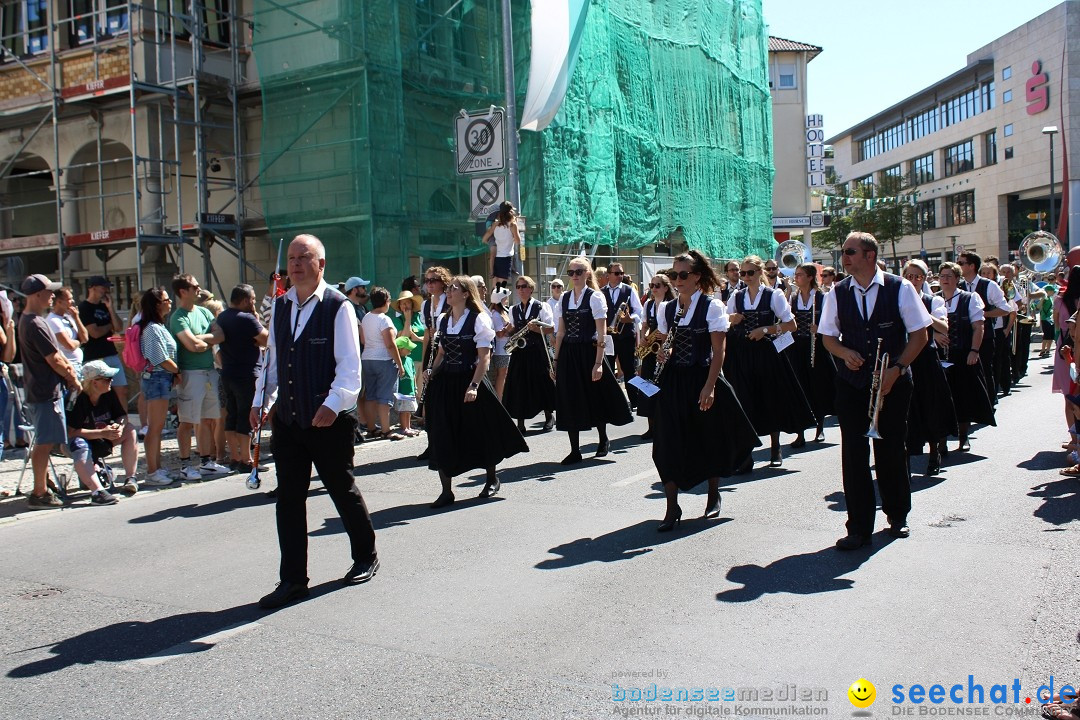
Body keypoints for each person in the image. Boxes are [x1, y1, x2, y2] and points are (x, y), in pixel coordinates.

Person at [252, 233, 379, 609]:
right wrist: (262, 399)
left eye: (303, 257)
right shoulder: (279, 307)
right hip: (289, 421)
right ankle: (293, 579)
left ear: (320, 264)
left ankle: (365, 554)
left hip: (328, 420)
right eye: (291, 257)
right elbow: (272, 364)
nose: (294, 264)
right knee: (288, 500)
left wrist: (334, 403)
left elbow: (349, 369)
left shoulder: (337, 307)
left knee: (342, 489)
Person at [819, 232, 932, 550]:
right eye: (843, 252)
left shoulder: (900, 287)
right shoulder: (837, 292)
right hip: (853, 385)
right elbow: (828, 337)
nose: (845, 257)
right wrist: (844, 354)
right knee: (854, 455)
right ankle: (858, 527)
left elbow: (919, 335)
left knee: (891, 450)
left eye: (850, 251)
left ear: (869, 255)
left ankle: (897, 515)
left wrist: (896, 370)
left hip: (892, 381)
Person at [651, 251, 759, 531]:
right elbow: (668, 343)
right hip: (674, 379)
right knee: (666, 441)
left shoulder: (712, 307)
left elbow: (719, 350)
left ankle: (713, 493)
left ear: (697, 276)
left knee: (708, 437)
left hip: (702, 376)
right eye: (674, 275)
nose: (677, 280)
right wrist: (664, 352)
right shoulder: (668, 308)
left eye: (683, 275)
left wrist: (710, 387)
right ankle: (671, 506)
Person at [424, 275, 528, 507]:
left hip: (471, 380)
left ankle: (491, 478)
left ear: (465, 294)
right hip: (446, 382)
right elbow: (441, 353)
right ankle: (446, 491)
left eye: (454, 288)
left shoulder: (479, 319)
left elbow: (485, 358)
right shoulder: (443, 319)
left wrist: (473, 386)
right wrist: (431, 371)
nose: (448, 291)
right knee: (442, 432)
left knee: (481, 431)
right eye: (448, 288)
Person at [725, 255, 815, 468]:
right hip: (742, 354)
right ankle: (746, 455)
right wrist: (732, 319)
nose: (745, 277)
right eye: (742, 273)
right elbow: (724, 321)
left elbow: (791, 325)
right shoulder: (736, 296)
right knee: (744, 402)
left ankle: (775, 446)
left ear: (759, 273)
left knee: (769, 398)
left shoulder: (773, 295)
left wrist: (764, 329)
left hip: (766, 352)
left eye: (750, 273)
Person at [552, 257, 633, 464]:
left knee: (594, 395)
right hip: (569, 352)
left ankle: (603, 438)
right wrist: (556, 359)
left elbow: (601, 333)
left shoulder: (595, 297)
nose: (575, 276)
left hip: (589, 352)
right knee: (570, 399)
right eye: (571, 273)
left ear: (588, 273)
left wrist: (598, 363)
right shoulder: (564, 298)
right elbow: (560, 332)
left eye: (579, 272)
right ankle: (574, 449)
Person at [17, 275, 81, 509]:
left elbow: (56, 354)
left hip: (42, 389)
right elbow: (54, 358)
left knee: (46, 441)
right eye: (48, 291)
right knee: (44, 443)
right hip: (45, 390)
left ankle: (43, 484)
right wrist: (72, 377)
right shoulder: (34, 323)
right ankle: (39, 492)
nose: (52, 294)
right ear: (36, 295)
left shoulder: (32, 320)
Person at [169, 274, 229, 481]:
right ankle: (185, 464)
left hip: (208, 372)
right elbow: (191, 346)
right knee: (187, 421)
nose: (199, 289)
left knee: (206, 418)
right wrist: (205, 341)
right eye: (194, 286)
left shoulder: (204, 312)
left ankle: (206, 462)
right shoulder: (178, 317)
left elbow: (219, 335)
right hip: (190, 374)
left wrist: (201, 339)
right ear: (183, 291)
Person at [902, 260, 957, 475]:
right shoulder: (897, 299)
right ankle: (905, 457)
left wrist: (920, 309)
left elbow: (943, 327)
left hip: (925, 359)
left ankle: (935, 452)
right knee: (906, 410)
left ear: (924, 279)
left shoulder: (932, 300)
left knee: (930, 407)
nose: (913, 280)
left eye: (918, 276)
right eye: (909, 276)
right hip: (905, 358)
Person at [935, 262, 995, 456]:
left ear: (957, 279)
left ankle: (963, 436)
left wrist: (974, 351)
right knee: (941, 399)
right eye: (942, 276)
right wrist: (936, 336)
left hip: (963, 354)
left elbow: (978, 327)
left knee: (963, 397)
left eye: (949, 276)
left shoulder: (969, 298)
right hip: (939, 356)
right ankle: (941, 442)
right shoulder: (935, 300)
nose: (945, 279)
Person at [66, 359, 139, 499]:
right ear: (94, 382)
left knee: (129, 429)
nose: (111, 381)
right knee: (79, 443)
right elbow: (71, 432)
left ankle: (131, 478)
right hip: (81, 443)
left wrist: (119, 425)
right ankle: (97, 492)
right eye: (107, 379)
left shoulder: (108, 393)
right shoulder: (77, 399)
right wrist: (102, 432)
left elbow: (122, 415)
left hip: (102, 439)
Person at [215, 284, 268, 473]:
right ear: (245, 300)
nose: (254, 302)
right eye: (253, 299)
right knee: (247, 415)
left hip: (228, 372)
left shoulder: (223, 317)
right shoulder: (246, 319)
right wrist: (257, 320)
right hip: (247, 373)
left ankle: (235, 457)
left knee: (232, 414)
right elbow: (266, 340)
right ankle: (246, 459)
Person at [787, 263, 836, 447]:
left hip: (818, 347)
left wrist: (820, 329)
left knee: (818, 387)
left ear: (809, 277)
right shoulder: (792, 298)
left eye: (800, 275)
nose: (796, 278)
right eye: (796, 274)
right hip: (797, 347)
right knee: (800, 388)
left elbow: (834, 321)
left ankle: (820, 427)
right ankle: (800, 433)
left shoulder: (823, 297)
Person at [137, 287, 181, 487]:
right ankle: (152, 471)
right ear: (156, 304)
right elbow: (160, 358)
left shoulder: (158, 326)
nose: (170, 301)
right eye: (166, 299)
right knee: (154, 428)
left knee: (157, 427)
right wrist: (177, 371)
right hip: (156, 378)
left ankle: (157, 467)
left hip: (161, 379)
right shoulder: (152, 329)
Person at [503, 275, 555, 433]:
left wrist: (537, 329)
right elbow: (513, 329)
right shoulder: (513, 309)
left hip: (537, 351)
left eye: (524, 286)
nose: (521, 289)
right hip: (520, 352)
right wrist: (508, 331)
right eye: (518, 287)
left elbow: (551, 329)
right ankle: (520, 422)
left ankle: (549, 416)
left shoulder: (541, 307)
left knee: (542, 383)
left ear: (531, 289)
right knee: (519, 385)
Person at [958, 252, 1011, 401]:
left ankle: (989, 401)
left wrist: (982, 315)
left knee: (985, 369)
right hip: (964, 336)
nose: (958, 266)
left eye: (961, 263)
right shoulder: (959, 285)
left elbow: (1005, 309)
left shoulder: (989, 285)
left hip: (985, 336)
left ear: (972, 266)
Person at [360, 286, 406, 441]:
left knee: (370, 395)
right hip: (384, 360)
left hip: (367, 358)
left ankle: (372, 427)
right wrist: (399, 364)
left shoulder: (366, 317)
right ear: (386, 301)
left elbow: (363, 339)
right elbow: (390, 344)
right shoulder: (385, 319)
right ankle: (386, 430)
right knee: (384, 397)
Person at [78, 275, 128, 412]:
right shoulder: (84, 308)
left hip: (111, 353)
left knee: (121, 390)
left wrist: (110, 308)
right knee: (99, 393)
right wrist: (109, 326)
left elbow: (118, 327)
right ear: (92, 288)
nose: (106, 290)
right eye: (103, 287)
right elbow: (94, 332)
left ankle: (124, 421)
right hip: (95, 356)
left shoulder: (104, 306)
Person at [415, 266, 450, 461]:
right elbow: (428, 332)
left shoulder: (451, 301)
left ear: (443, 282)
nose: (429, 284)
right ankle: (431, 444)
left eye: (434, 280)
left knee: (444, 398)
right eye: (427, 280)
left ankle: (448, 442)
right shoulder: (426, 305)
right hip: (433, 350)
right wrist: (424, 357)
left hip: (449, 351)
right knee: (429, 398)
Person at [636, 273, 674, 438]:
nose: (654, 289)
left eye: (657, 285)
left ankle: (665, 425)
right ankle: (651, 426)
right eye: (652, 286)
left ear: (666, 287)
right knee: (647, 385)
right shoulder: (649, 304)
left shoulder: (672, 305)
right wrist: (643, 337)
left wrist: (666, 345)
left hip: (665, 347)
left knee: (664, 387)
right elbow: (644, 325)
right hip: (650, 348)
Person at [601, 262, 643, 408]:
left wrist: (629, 319)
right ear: (608, 275)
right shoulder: (601, 292)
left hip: (626, 336)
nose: (620, 276)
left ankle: (635, 400)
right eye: (617, 273)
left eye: (621, 273)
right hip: (609, 337)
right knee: (609, 370)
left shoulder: (629, 290)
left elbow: (639, 312)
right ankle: (612, 401)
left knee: (629, 369)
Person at [390, 289, 424, 437]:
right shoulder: (397, 320)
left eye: (408, 302)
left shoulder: (420, 317)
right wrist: (407, 320)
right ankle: (406, 424)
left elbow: (425, 334)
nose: (405, 306)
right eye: (402, 303)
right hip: (407, 360)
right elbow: (403, 340)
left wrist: (418, 338)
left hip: (422, 358)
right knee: (408, 393)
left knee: (421, 391)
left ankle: (421, 419)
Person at [46, 287, 88, 382]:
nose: (72, 301)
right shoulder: (53, 321)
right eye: (69, 299)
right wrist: (79, 341)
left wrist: (76, 318)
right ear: (59, 302)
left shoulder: (69, 317)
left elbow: (85, 338)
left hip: (78, 364)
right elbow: (69, 345)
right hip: (68, 366)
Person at [482, 201, 521, 287]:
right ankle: (502, 301)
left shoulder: (495, 224)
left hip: (497, 257)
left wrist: (493, 242)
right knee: (502, 287)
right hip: (506, 258)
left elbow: (484, 239)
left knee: (495, 285)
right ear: (511, 212)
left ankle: (495, 300)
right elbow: (518, 241)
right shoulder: (512, 225)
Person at [487, 286, 513, 400]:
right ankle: (499, 400)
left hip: (504, 349)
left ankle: (501, 399)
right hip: (501, 350)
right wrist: (509, 327)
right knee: (502, 376)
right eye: (505, 298)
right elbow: (499, 333)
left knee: (503, 375)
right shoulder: (496, 314)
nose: (506, 300)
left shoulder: (499, 312)